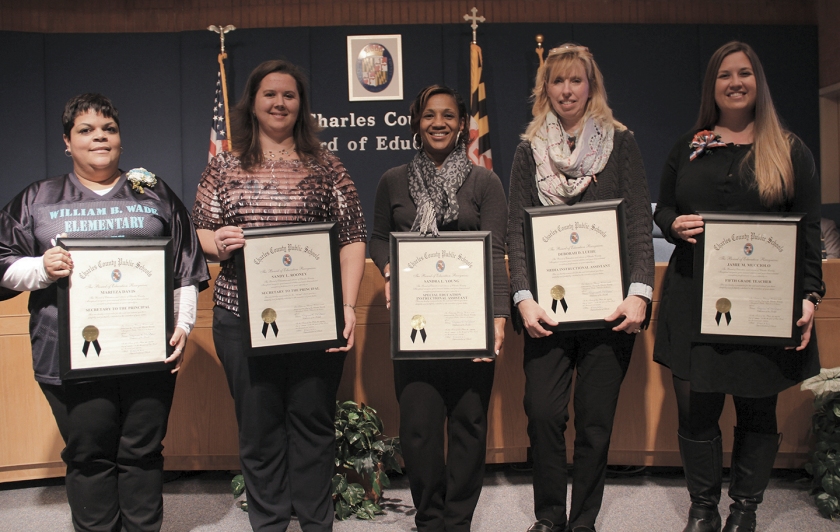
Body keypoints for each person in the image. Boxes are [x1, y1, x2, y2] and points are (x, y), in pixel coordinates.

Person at [0, 93, 209, 531]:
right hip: (69, 359)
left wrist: (184, 325)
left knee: (143, 451)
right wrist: (41, 267)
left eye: (108, 129)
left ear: (120, 138)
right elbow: (3, 262)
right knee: (88, 454)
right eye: (86, 130)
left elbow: (185, 268)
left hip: (146, 353)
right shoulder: (38, 200)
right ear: (67, 141)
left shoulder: (154, 194)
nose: (99, 137)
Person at [654, 41, 823, 532]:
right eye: (724, 74)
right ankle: (703, 508)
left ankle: (745, 509)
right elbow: (663, 207)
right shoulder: (688, 146)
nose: (735, 82)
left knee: (756, 407)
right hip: (692, 297)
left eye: (744, 73)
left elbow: (808, 230)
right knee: (695, 408)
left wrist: (810, 296)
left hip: (761, 304)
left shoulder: (789, 150)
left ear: (757, 82)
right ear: (712, 86)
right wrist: (672, 224)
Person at [192, 60, 367, 532]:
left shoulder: (326, 165)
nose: (280, 103)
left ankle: (315, 523)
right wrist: (218, 241)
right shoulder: (224, 165)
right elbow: (199, 232)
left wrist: (347, 306)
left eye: (289, 95)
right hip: (238, 316)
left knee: (312, 426)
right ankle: (268, 523)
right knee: (259, 429)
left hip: (314, 319)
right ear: (253, 102)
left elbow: (352, 237)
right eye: (270, 94)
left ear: (301, 104)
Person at [506, 44, 654, 532]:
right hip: (545, 314)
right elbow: (516, 232)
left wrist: (640, 292)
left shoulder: (620, 143)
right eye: (557, 81)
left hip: (609, 309)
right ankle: (549, 517)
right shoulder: (527, 152)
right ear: (544, 89)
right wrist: (523, 297)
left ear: (591, 87)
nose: (566, 90)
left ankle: (583, 520)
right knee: (544, 416)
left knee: (594, 422)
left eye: (576, 81)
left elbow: (637, 222)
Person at [369, 85, 509, 532]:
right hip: (417, 326)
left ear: (462, 123)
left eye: (449, 115)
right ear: (416, 122)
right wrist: (391, 269)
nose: (439, 123)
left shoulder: (485, 182)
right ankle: (429, 520)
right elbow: (376, 238)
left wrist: (498, 318)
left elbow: (496, 253)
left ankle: (459, 520)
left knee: (469, 425)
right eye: (429, 115)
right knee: (419, 431)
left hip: (470, 325)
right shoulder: (392, 180)